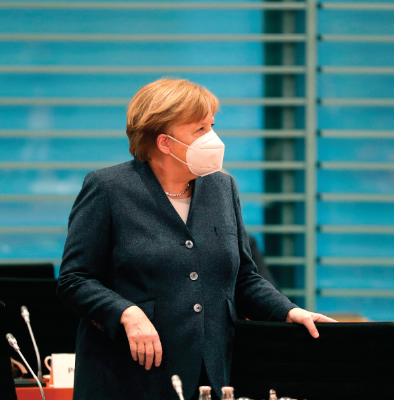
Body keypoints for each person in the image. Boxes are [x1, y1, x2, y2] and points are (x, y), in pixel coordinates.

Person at [57, 78, 335, 400]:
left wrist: (288, 311)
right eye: (200, 130)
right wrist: (126, 312)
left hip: (210, 375)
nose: (213, 139)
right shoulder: (108, 188)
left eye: (212, 126)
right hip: (128, 377)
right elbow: (75, 280)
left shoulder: (223, 187)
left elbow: (244, 278)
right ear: (165, 143)